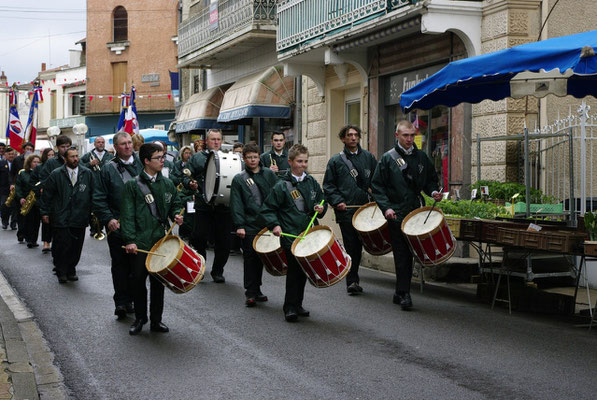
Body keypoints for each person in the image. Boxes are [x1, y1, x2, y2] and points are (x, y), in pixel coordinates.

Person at [371, 120, 441, 310]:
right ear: (397, 136)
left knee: (412, 252)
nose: (410, 139)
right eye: (406, 135)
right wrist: (386, 208)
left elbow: (430, 180)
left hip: (416, 212)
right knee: (402, 254)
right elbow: (377, 187)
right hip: (396, 214)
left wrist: (434, 192)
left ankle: (399, 291)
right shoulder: (387, 159)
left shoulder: (421, 157)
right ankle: (405, 293)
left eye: (412, 135)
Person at [121, 143, 183, 335]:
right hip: (140, 242)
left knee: (159, 283)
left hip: (160, 241)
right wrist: (130, 239)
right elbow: (127, 214)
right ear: (147, 161)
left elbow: (176, 203)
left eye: (163, 157)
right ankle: (140, 318)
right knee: (138, 281)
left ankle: (157, 320)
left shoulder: (167, 183)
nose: (163, 160)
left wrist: (177, 215)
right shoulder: (133, 185)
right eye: (159, 157)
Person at [261, 144, 327, 322]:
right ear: (290, 162)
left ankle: (298, 304)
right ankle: (289, 306)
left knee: (303, 270)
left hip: (308, 233)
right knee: (294, 271)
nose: (303, 165)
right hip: (290, 234)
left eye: (305, 161)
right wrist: (274, 225)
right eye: (299, 161)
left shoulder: (311, 181)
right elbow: (268, 209)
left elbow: (322, 199)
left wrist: (322, 207)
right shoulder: (282, 185)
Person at [94, 132, 144, 319]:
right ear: (115, 147)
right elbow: (99, 197)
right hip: (117, 224)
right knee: (120, 265)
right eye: (123, 144)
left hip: (140, 226)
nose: (128, 146)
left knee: (137, 267)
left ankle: (133, 299)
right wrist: (108, 219)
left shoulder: (142, 165)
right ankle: (121, 302)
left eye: (130, 142)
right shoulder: (107, 169)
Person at [323, 125, 378, 295]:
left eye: (356, 135)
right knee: (351, 245)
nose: (353, 138)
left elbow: (376, 182)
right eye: (349, 135)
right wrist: (337, 201)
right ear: (343, 139)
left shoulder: (369, 157)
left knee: (359, 245)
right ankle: (352, 280)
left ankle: (353, 275)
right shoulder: (335, 161)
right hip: (346, 211)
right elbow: (328, 186)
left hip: (365, 211)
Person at [230, 144, 278, 307]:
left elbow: (277, 196)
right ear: (244, 159)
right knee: (250, 258)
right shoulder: (239, 179)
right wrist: (239, 225)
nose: (253, 160)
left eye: (255, 157)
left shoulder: (269, 175)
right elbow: (236, 203)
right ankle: (250, 292)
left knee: (261, 258)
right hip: (249, 225)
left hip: (266, 223)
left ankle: (257, 289)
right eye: (249, 157)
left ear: (259, 157)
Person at [40, 147, 95, 283]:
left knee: (76, 246)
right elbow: (47, 195)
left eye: (77, 156)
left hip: (79, 216)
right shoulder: (56, 174)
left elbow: (94, 193)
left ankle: (71, 269)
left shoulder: (87, 173)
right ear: (65, 159)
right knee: (61, 246)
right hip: (61, 216)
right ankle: (61, 271)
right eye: (72, 157)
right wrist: (45, 212)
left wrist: (94, 213)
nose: (75, 159)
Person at [186, 129, 231, 283]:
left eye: (219, 139)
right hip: (203, 204)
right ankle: (201, 267)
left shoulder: (228, 157)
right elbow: (185, 174)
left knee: (223, 241)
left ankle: (218, 270)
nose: (216, 142)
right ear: (207, 141)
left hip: (222, 206)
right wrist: (190, 183)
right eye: (213, 139)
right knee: (198, 237)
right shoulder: (197, 158)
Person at [81, 136, 114, 237]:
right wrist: (89, 164)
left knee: (107, 205)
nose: (101, 144)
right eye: (98, 142)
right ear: (94, 144)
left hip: (106, 184)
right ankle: (94, 228)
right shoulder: (88, 155)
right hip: (93, 183)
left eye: (102, 142)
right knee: (93, 207)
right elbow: (79, 166)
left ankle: (106, 226)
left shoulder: (110, 155)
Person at [15, 154, 42, 248]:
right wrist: (21, 197)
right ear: (29, 163)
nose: (36, 164)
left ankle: (34, 240)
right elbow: (18, 187)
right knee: (28, 220)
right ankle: (28, 239)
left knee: (37, 221)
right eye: (34, 162)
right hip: (27, 200)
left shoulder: (41, 173)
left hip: (38, 200)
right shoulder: (23, 173)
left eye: (38, 162)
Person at [34, 148, 55, 253]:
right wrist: (41, 188)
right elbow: (34, 181)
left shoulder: (57, 166)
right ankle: (46, 242)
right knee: (46, 219)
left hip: (55, 196)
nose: (51, 157)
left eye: (52, 155)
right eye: (49, 155)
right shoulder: (39, 167)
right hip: (44, 196)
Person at [13, 142, 35, 241]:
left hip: (32, 195)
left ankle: (29, 236)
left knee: (31, 218)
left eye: (31, 149)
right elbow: (12, 173)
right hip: (20, 190)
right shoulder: (17, 160)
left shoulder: (36, 163)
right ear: (24, 149)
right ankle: (21, 233)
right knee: (21, 215)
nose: (29, 150)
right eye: (27, 148)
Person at [172, 146, 194, 242]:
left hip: (189, 191)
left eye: (189, 153)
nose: (188, 155)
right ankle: (183, 233)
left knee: (190, 214)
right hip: (180, 191)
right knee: (181, 212)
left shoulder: (192, 165)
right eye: (186, 153)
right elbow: (174, 176)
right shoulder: (177, 164)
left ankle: (190, 233)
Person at [0, 147, 18, 230]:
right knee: (4, 205)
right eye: (9, 154)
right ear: (5, 155)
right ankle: (4, 221)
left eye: (12, 154)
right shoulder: (1, 163)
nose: (11, 156)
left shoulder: (17, 163)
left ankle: (13, 223)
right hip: (4, 189)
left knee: (14, 207)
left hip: (15, 188)